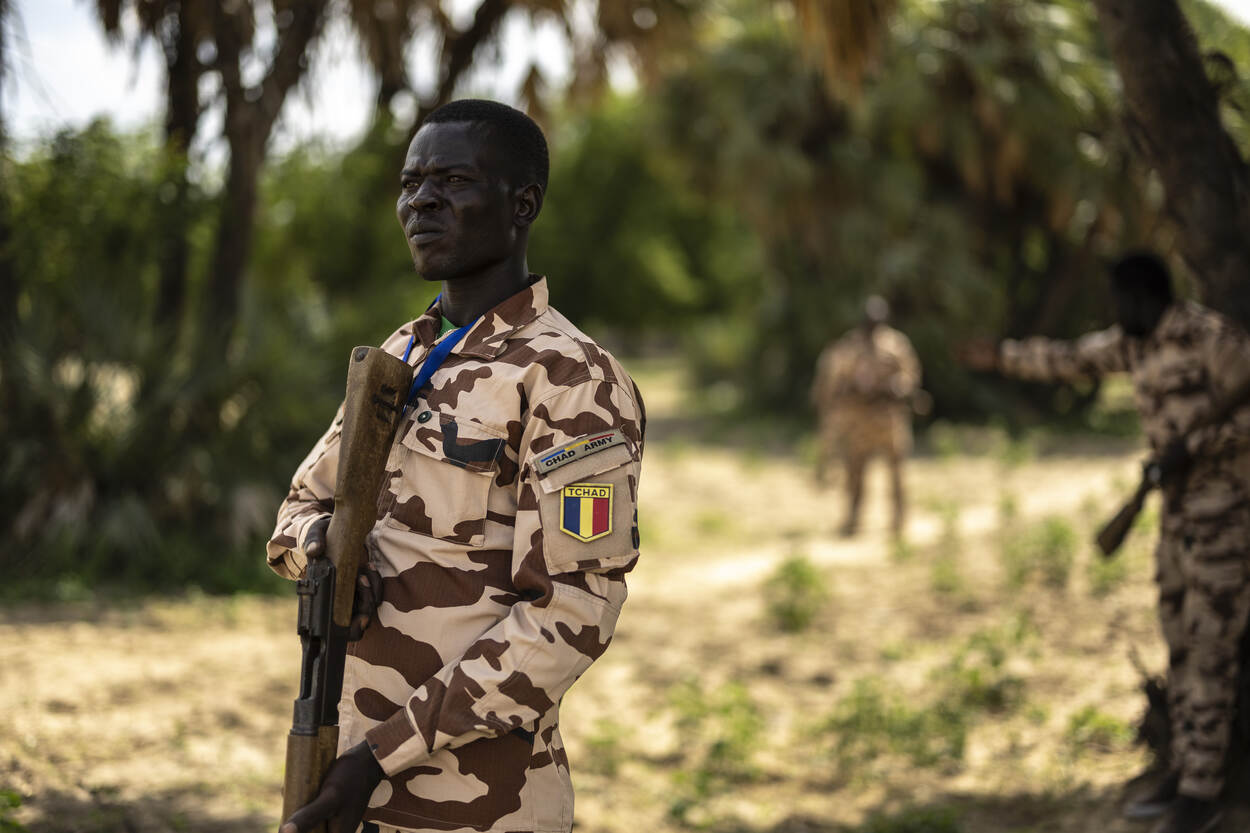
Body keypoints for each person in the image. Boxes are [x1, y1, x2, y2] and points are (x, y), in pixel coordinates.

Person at [266, 99, 646, 833]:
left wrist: (378, 757)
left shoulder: (571, 379)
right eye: (411, 183)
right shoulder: (400, 355)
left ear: (522, 204)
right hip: (342, 769)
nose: (421, 201)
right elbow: (298, 510)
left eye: (453, 181)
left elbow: (572, 613)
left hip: (478, 802)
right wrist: (330, 553)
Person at [960, 252, 1250, 833]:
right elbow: (1072, 359)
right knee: (1180, 648)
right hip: (1175, 519)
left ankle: (1202, 793)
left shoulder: (1211, 339)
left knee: (1212, 651)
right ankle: (1184, 768)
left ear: (1145, 295)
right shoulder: (1134, 344)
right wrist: (1002, 357)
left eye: (1120, 299)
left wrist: (1197, 447)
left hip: (1225, 518)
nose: (1115, 312)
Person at [810, 296, 922, 537]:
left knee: (897, 473)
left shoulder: (896, 345)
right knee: (854, 473)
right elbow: (834, 381)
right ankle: (853, 520)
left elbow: (910, 375)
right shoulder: (850, 346)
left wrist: (897, 386)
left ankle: (899, 521)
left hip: (889, 419)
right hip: (858, 420)